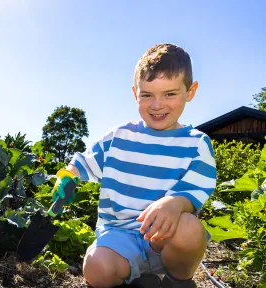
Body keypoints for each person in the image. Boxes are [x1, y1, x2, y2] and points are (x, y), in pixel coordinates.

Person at [52, 43, 216, 288]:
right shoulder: (119, 137)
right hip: (120, 235)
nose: (157, 105)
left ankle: (176, 281)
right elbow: (82, 162)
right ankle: (139, 278)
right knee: (96, 268)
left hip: (167, 237)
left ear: (190, 92)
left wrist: (174, 203)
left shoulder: (196, 143)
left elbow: (196, 191)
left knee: (191, 229)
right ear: (135, 93)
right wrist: (68, 176)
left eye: (170, 94)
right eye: (147, 95)